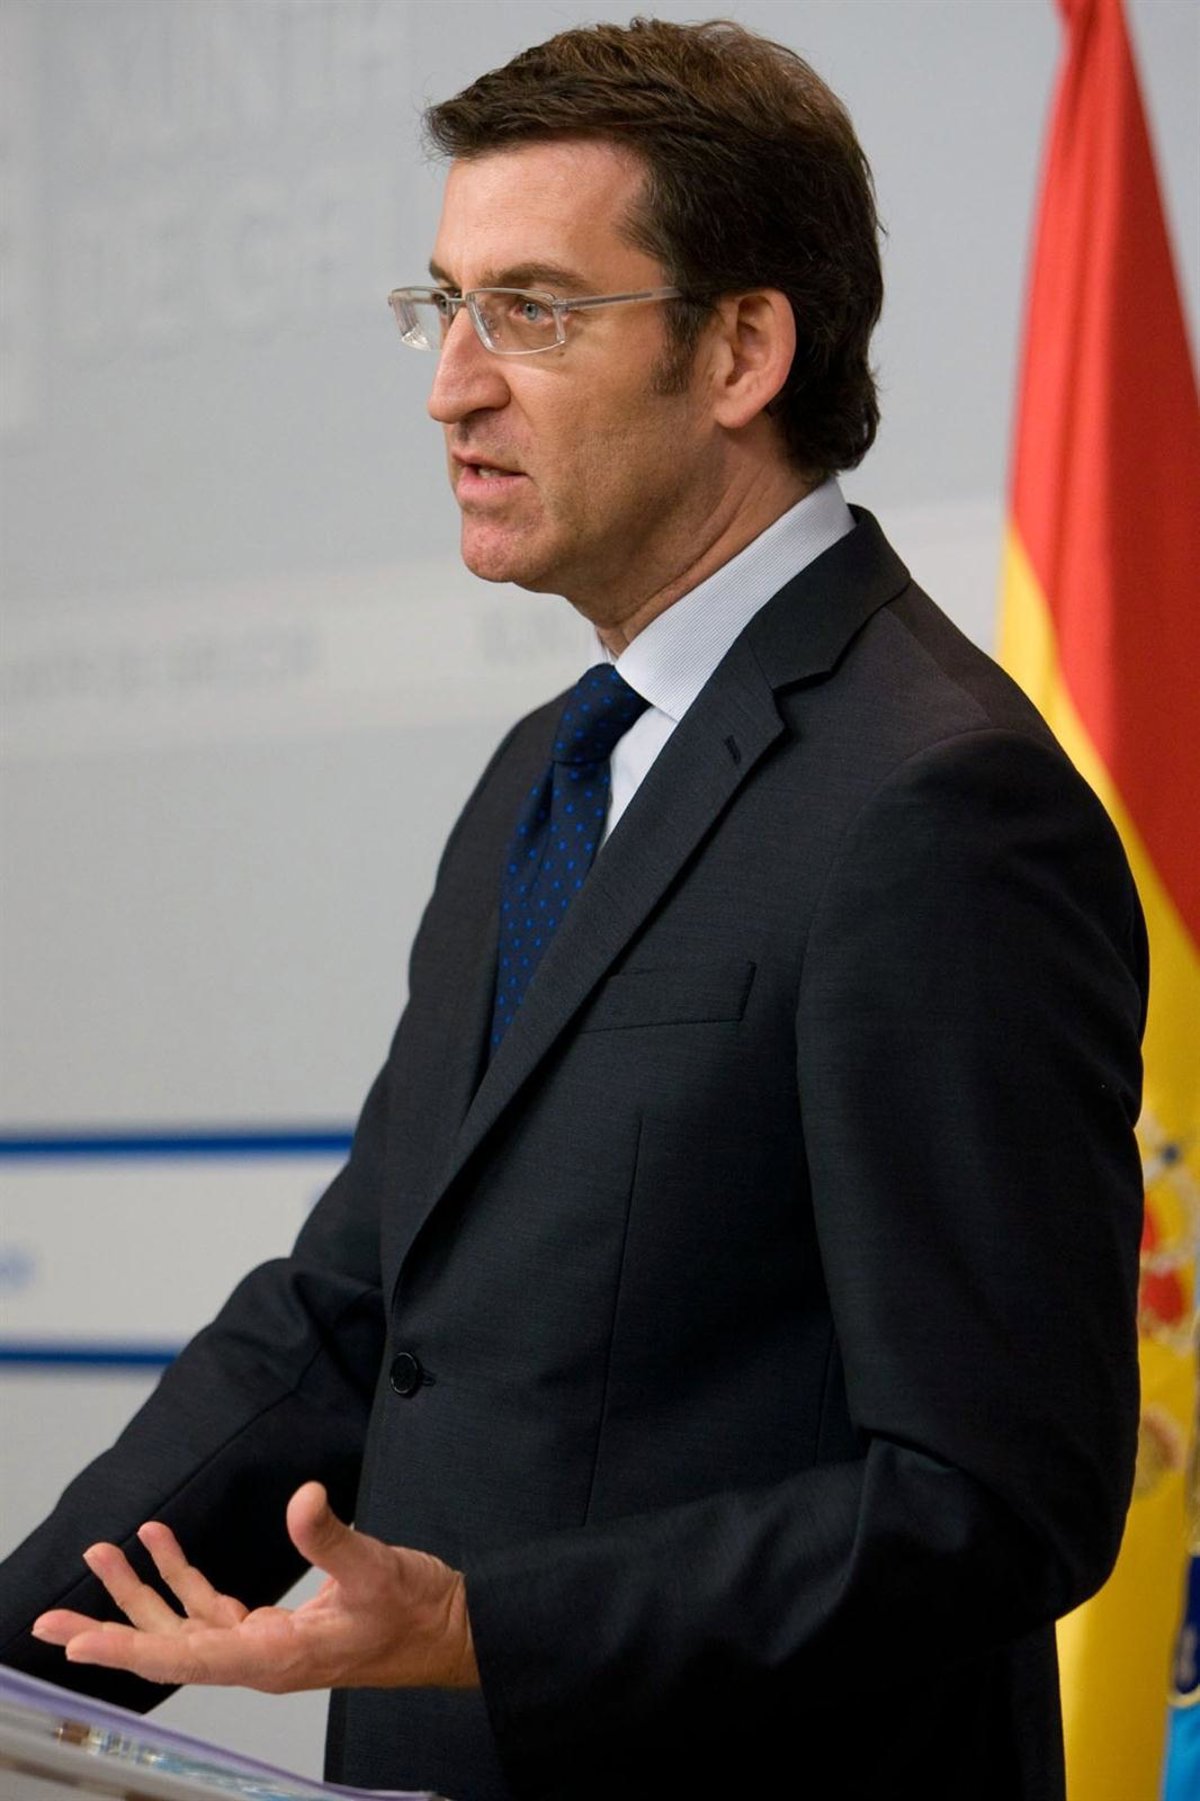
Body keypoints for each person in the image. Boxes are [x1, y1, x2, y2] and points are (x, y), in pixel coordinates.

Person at [0, 19, 1147, 1801]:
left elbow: (992, 1500)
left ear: (742, 349)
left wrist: (488, 1624)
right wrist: (19, 1648)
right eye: (441, 307)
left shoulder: (939, 803)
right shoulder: (552, 766)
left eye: (530, 312)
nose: (450, 388)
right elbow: (352, 1315)